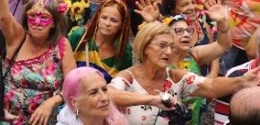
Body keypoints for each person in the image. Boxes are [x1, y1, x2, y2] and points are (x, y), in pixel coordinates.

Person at [109, 22, 260, 125]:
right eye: (162, 46)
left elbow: (211, 85)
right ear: (145, 48)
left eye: (171, 47)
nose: (168, 52)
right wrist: (152, 99)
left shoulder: (175, 77)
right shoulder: (128, 77)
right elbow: (109, 95)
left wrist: (242, 81)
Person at [0, 0, 75, 125]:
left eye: (44, 18)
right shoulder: (18, 38)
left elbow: (72, 85)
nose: (37, 23)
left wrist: (52, 101)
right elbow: (4, 18)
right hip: (9, 119)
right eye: (32, 17)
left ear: (54, 23)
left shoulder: (61, 45)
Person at [56, 66, 128, 125]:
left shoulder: (118, 121)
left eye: (104, 89)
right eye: (93, 93)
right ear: (74, 102)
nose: (104, 98)